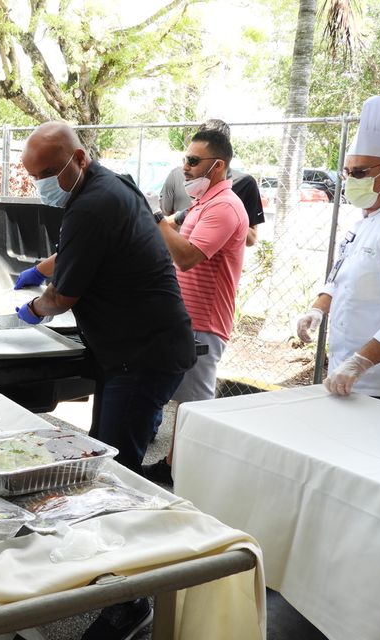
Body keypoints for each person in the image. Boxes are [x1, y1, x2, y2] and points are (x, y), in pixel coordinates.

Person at [14, 120, 195, 640]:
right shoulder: (106, 185)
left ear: (78, 158)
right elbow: (75, 254)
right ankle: (109, 582)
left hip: (143, 356)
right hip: (130, 351)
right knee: (106, 467)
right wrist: (38, 268)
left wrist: (28, 309)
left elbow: (64, 296)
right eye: (34, 175)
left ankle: (131, 604)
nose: (43, 182)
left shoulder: (94, 201)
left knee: (113, 483)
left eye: (49, 172)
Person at [295, 93, 380, 412]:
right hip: (351, 376)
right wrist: (317, 309)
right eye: (346, 173)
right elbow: (343, 276)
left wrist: (360, 362)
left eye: (359, 173)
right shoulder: (369, 217)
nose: (349, 181)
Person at [143, 128, 249, 485]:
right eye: (184, 159)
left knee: (195, 408)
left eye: (192, 161)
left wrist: (156, 217)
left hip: (204, 322)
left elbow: (187, 257)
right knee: (180, 403)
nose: (184, 167)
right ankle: (173, 465)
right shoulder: (204, 204)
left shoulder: (225, 207)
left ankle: (198, 480)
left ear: (217, 166)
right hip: (184, 318)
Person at [160, 119, 265, 247]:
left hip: (215, 262)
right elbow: (165, 220)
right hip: (177, 257)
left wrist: (229, 219)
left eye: (195, 161)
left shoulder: (244, 183)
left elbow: (251, 239)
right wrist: (185, 215)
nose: (186, 167)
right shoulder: (177, 175)